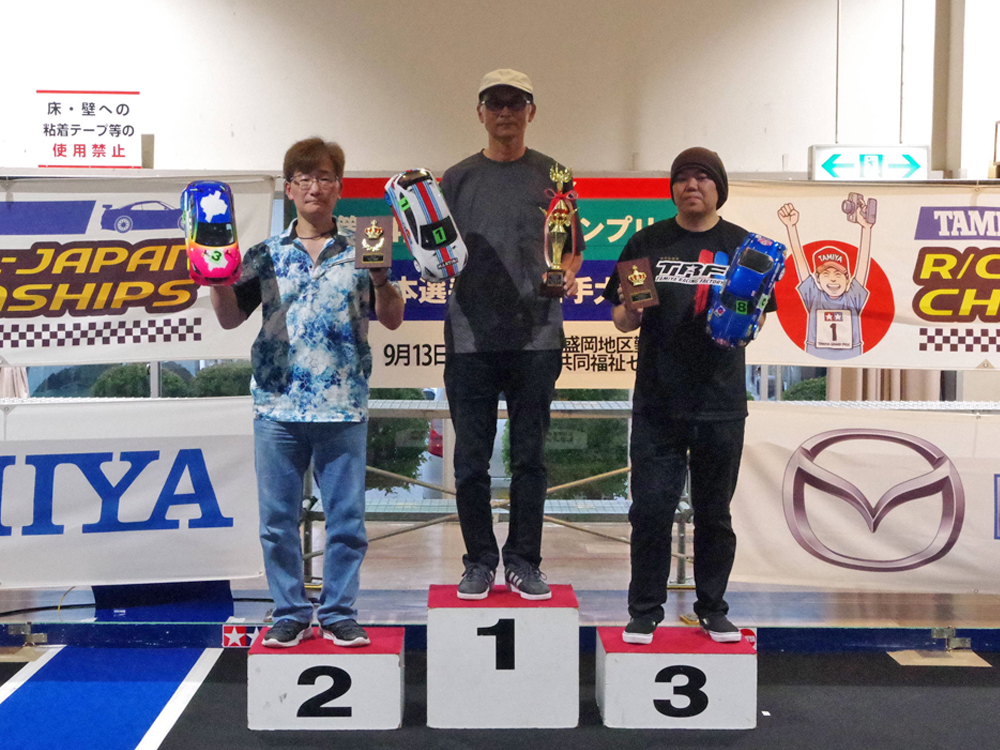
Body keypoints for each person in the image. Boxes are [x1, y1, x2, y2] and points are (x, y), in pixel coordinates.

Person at [210, 138, 404, 647]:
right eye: (303, 178)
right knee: (277, 522)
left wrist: (382, 280)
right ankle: (290, 612)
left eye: (324, 177)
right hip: (277, 406)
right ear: (290, 188)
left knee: (347, 523)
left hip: (342, 405)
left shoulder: (364, 247)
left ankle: (339, 612)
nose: (314, 187)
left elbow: (392, 318)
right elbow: (230, 318)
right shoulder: (265, 254)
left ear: (339, 187)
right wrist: (214, 280)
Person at [604, 147, 771, 644]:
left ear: (719, 188)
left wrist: (741, 321)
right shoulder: (647, 242)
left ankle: (713, 609)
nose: (691, 185)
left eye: (702, 177)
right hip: (658, 402)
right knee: (650, 511)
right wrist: (631, 312)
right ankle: (645, 610)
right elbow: (621, 318)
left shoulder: (744, 246)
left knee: (714, 514)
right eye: (682, 178)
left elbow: (762, 315)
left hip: (721, 403)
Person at [439, 68, 584, 601]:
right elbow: (434, 248)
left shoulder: (555, 176)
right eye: (495, 103)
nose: (505, 112)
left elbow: (573, 247)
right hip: (470, 339)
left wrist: (567, 273)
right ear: (480, 112)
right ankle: (479, 561)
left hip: (537, 339)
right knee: (470, 462)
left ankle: (524, 560)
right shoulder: (455, 179)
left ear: (531, 111)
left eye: (515, 103)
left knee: (530, 459)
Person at [777, 199, 874, 359]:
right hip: (814, 355)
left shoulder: (852, 297)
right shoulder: (814, 295)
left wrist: (866, 229)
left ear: (848, 280)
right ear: (818, 280)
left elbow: (863, 266)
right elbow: (800, 264)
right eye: (826, 275)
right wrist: (791, 227)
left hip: (853, 355)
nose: (833, 280)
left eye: (838, 274)